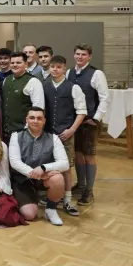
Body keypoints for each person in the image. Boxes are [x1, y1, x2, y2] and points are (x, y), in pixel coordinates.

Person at [9, 107, 69, 226]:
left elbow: (65, 163)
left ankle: (51, 209)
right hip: (22, 180)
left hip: (44, 178)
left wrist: (43, 168)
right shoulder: (16, 136)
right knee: (29, 215)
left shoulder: (54, 138)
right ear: (27, 119)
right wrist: (36, 174)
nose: (35, 121)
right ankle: (26, 200)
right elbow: (15, 162)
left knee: (57, 179)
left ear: (44, 121)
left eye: (39, 118)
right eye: (32, 118)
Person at [44, 55, 86, 217]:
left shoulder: (73, 88)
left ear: (64, 69)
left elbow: (81, 112)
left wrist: (72, 130)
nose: (55, 69)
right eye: (52, 66)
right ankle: (53, 197)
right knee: (49, 166)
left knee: (66, 167)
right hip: (48, 134)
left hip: (65, 133)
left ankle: (68, 200)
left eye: (59, 67)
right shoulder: (44, 86)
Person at [68, 43, 109, 206]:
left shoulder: (96, 74)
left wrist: (96, 118)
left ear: (89, 56)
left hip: (89, 121)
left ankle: (89, 191)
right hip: (74, 121)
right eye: (78, 54)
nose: (80, 57)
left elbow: (104, 98)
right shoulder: (70, 72)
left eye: (83, 54)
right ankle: (81, 185)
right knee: (78, 154)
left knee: (89, 155)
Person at [0, 52, 44, 141]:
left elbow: (39, 108)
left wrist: (28, 128)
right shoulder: (6, 80)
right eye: (12, 63)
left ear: (26, 64)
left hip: (25, 132)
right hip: (6, 132)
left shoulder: (33, 81)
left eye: (18, 63)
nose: (14, 65)